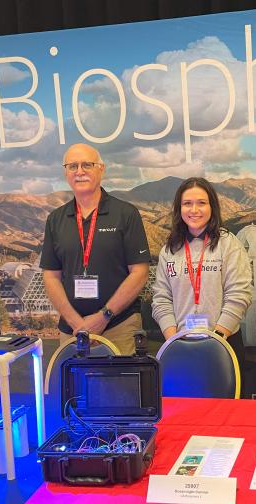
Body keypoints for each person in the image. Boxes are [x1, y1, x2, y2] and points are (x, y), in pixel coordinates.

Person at [41, 143, 150, 355]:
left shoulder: (126, 214)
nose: (79, 171)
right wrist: (76, 323)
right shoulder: (55, 219)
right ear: (65, 173)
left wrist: (104, 316)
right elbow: (51, 276)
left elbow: (140, 272)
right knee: (75, 388)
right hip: (72, 331)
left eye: (87, 165)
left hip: (119, 326)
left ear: (101, 168)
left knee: (119, 387)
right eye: (72, 166)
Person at [152, 177, 252, 356]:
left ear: (212, 207)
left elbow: (239, 294)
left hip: (224, 342)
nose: (194, 210)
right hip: (180, 344)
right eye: (187, 203)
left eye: (202, 203)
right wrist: (173, 340)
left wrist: (218, 338)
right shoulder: (169, 250)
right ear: (179, 208)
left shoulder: (228, 243)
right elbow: (162, 299)